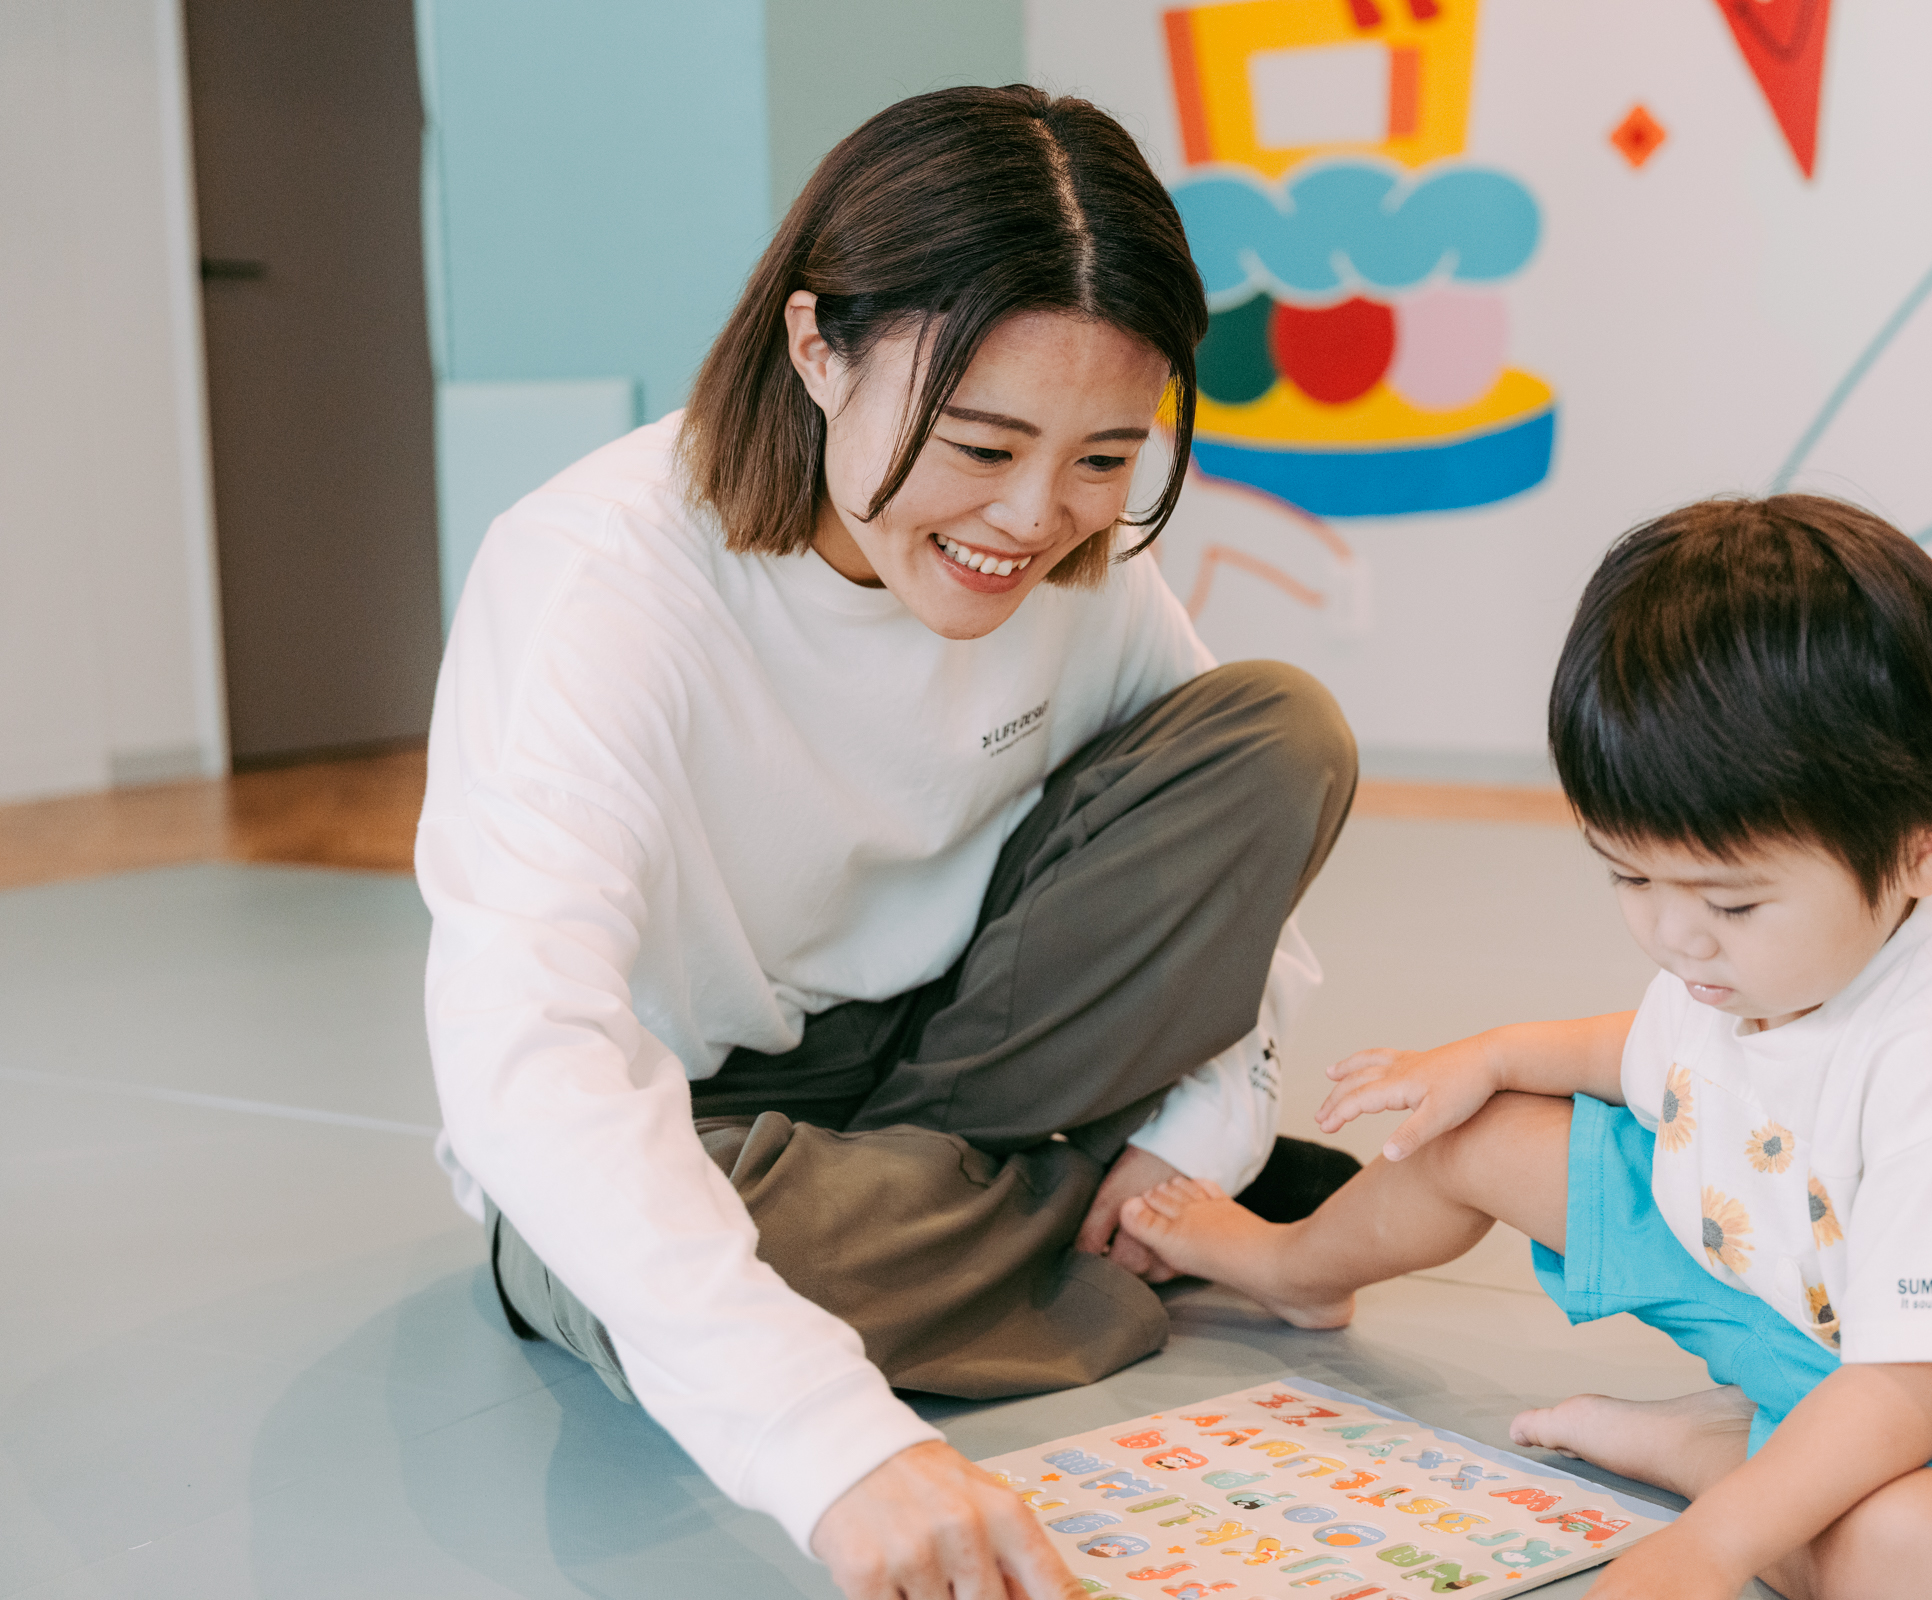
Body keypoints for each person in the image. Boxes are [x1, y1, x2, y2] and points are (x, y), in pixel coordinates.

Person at [416, 87, 1358, 1596]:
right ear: (816, 347)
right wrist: (833, 1445)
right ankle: (1103, 1232)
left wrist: (1199, 1138)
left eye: (1105, 458)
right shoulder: (601, 579)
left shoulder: (1079, 565)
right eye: (980, 444)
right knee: (658, 1245)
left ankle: (1049, 1214)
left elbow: (1241, 896)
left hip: (958, 1047)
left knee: (1279, 731)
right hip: (705, 1118)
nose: (1032, 518)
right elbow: (530, 1053)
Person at [1120, 496, 1932, 1600]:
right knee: (1475, 1132)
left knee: (1921, 1562)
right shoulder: (1767, 952)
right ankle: (1288, 1268)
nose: (1675, 937)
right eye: (1630, 875)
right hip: (1784, 1289)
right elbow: (1667, 1052)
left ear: (1929, 849)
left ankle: (1705, 1458)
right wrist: (1495, 1056)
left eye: (1729, 900)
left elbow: (1914, 1389)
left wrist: (1709, 1546)